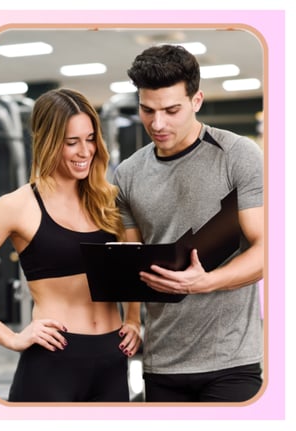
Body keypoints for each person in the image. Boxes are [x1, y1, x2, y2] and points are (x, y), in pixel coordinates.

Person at [112, 44, 264, 402]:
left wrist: (206, 282)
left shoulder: (238, 155)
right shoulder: (129, 174)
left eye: (171, 110)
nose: (157, 123)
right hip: (161, 363)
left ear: (196, 101)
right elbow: (133, 258)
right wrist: (132, 319)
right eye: (147, 110)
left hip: (231, 361)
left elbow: (267, 251)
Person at [0, 88, 142, 402]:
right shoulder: (16, 206)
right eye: (72, 142)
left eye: (90, 139)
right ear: (46, 142)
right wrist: (12, 337)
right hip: (53, 360)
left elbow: (132, 263)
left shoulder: (111, 201)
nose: (85, 151)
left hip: (113, 358)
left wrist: (133, 319)